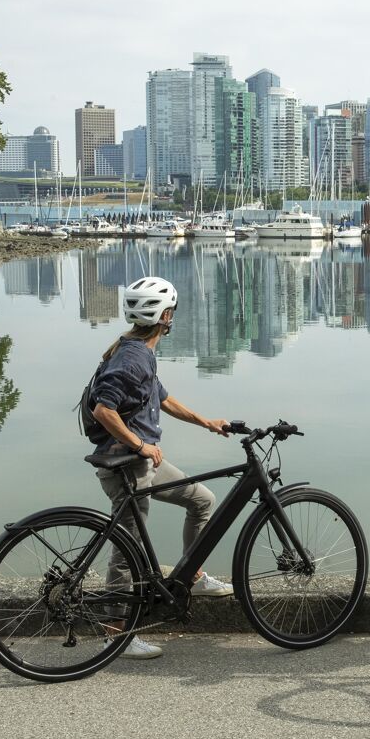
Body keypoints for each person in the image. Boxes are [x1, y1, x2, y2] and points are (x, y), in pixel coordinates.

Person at [89, 275, 234, 660]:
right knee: (128, 550)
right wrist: (140, 444)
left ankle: (194, 576)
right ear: (165, 316)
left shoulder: (138, 351)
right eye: (172, 312)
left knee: (202, 500)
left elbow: (163, 400)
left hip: (144, 463)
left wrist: (208, 422)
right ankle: (115, 635)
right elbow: (103, 409)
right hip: (128, 466)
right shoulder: (132, 357)